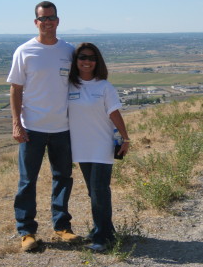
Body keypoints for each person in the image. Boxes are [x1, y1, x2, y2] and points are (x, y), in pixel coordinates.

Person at [7, 1, 80, 251]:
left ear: (58, 21)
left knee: (63, 178)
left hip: (63, 128)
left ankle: (62, 227)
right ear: (36, 22)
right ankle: (26, 231)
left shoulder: (69, 51)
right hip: (32, 129)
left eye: (51, 18)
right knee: (28, 181)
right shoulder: (25, 51)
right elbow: (15, 89)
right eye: (42, 18)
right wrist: (17, 124)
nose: (47, 22)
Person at [68, 42, 130, 252]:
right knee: (93, 192)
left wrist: (125, 138)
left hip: (102, 146)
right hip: (81, 148)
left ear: (97, 62)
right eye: (82, 57)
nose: (87, 61)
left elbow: (114, 113)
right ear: (75, 61)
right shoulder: (69, 86)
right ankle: (103, 230)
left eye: (92, 58)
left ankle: (103, 238)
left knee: (100, 191)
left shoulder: (104, 86)